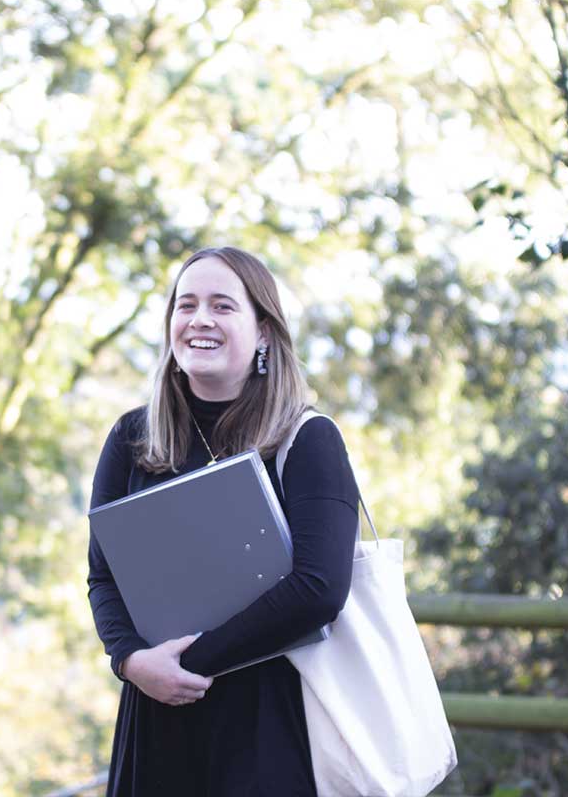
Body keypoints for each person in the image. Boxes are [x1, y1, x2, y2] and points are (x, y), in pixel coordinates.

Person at [87, 246, 360, 795]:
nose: (200, 320)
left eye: (222, 306)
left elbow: (319, 589)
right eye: (185, 306)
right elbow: (103, 576)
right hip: (155, 723)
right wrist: (131, 661)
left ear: (263, 331)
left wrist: (184, 665)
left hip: (270, 722)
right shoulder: (131, 438)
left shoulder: (307, 440)